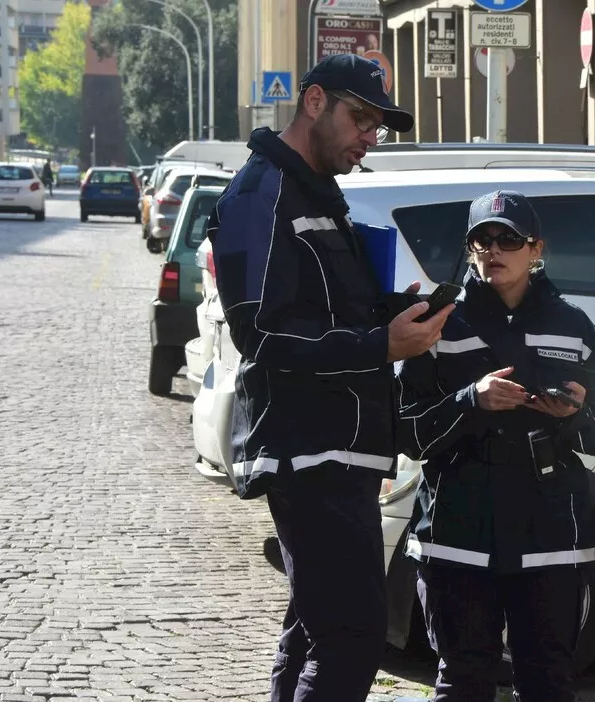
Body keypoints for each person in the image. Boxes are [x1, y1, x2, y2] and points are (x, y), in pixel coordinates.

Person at [208, 53, 452, 702]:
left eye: (377, 124)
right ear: (313, 102)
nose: (370, 135)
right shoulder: (262, 193)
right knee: (351, 637)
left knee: (314, 632)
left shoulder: (320, 192)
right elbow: (261, 333)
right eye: (360, 118)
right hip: (307, 452)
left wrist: (396, 314)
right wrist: (380, 342)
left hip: (344, 452)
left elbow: (327, 311)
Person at [398, 190, 595, 702]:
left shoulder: (572, 325)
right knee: (462, 680)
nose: (494, 249)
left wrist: (572, 417)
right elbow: (406, 432)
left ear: (535, 248)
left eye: (509, 239)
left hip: (546, 531)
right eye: (482, 238)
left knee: (546, 681)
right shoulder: (440, 321)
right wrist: (470, 400)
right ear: (469, 247)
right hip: (457, 530)